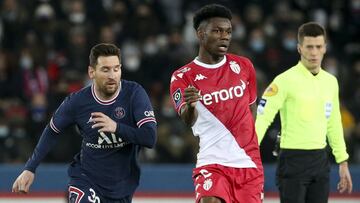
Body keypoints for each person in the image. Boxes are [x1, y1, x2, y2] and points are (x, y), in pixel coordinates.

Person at [12, 43, 157, 203]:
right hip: (86, 179)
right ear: (91, 72)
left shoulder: (134, 94)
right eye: (105, 69)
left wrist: (116, 127)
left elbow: (150, 137)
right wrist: (30, 168)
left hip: (122, 186)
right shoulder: (77, 101)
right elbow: (52, 130)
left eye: (116, 69)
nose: (112, 75)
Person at [169, 4, 264, 203]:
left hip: (248, 161)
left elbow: (251, 107)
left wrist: (244, 138)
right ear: (200, 34)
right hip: (212, 160)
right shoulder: (183, 76)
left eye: (228, 31)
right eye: (217, 31)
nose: (225, 36)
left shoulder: (244, 66)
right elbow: (187, 119)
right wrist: (191, 105)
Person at [255, 22, 353, 203]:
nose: (314, 52)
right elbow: (263, 116)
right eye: (309, 47)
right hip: (292, 161)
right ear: (299, 48)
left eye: (318, 47)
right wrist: (249, 155)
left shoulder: (331, 82)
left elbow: (333, 122)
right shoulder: (284, 80)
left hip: (320, 161)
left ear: (325, 48)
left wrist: (343, 161)